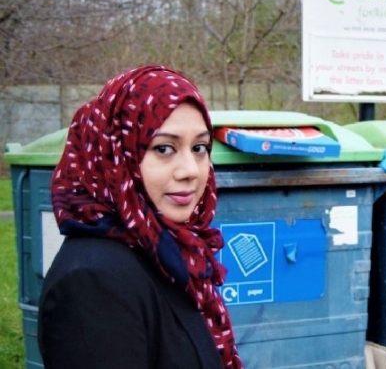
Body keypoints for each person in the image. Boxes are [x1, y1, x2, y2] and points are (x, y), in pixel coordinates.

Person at [38, 65, 244, 369]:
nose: (190, 170)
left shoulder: (169, 250)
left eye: (200, 148)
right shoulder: (93, 282)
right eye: (164, 148)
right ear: (115, 156)